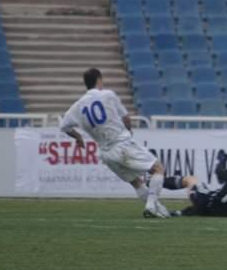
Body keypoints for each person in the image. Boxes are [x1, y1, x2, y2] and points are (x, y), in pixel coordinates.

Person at [60, 68, 169, 218]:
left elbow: (64, 126)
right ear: (99, 79)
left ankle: (158, 209)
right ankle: (151, 206)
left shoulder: (77, 106)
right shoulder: (108, 95)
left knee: (136, 182)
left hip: (106, 154)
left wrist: (78, 137)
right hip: (122, 144)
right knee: (158, 169)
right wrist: (129, 131)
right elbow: (126, 118)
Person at [166, 150, 227, 217]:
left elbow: (219, 172)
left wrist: (222, 160)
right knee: (211, 200)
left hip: (206, 204)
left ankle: (158, 182)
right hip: (224, 214)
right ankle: (181, 212)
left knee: (191, 180)